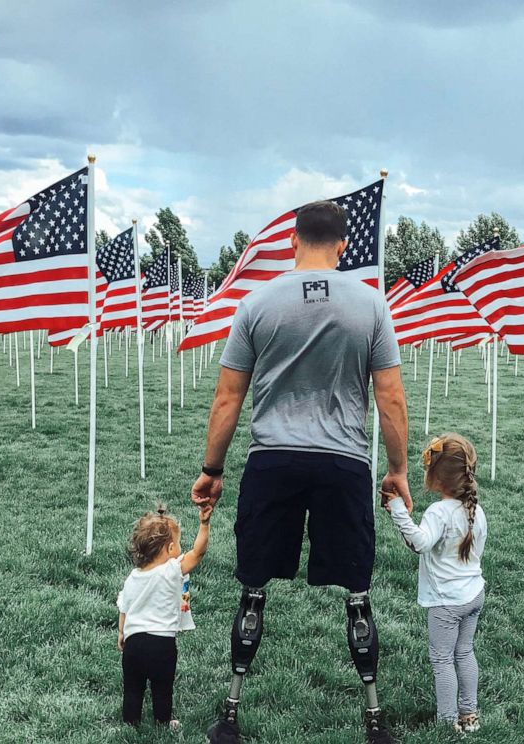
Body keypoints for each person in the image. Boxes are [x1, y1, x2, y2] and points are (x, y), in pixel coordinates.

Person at [192, 199, 411, 744]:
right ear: (343, 246)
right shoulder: (371, 306)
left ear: (293, 240)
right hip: (343, 463)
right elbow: (390, 398)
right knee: (356, 590)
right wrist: (398, 469)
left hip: (273, 460)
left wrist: (211, 469)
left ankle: (231, 714)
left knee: (254, 586)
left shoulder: (257, 303)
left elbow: (227, 397)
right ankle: (374, 720)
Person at [383, 434, 487, 734]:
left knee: (442, 659)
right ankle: (470, 716)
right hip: (473, 594)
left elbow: (420, 543)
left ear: (435, 475)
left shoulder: (438, 513)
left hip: (447, 602)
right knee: (465, 652)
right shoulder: (476, 511)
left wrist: (398, 511)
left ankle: (446, 722)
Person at [117, 502, 213, 731]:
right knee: (162, 687)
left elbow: (124, 607)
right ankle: (162, 721)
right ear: (170, 549)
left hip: (134, 643)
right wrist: (204, 523)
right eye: (178, 543)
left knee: (133, 688)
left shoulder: (133, 577)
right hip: (162, 643)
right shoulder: (172, 570)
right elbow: (198, 552)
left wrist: (122, 632)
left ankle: (131, 722)